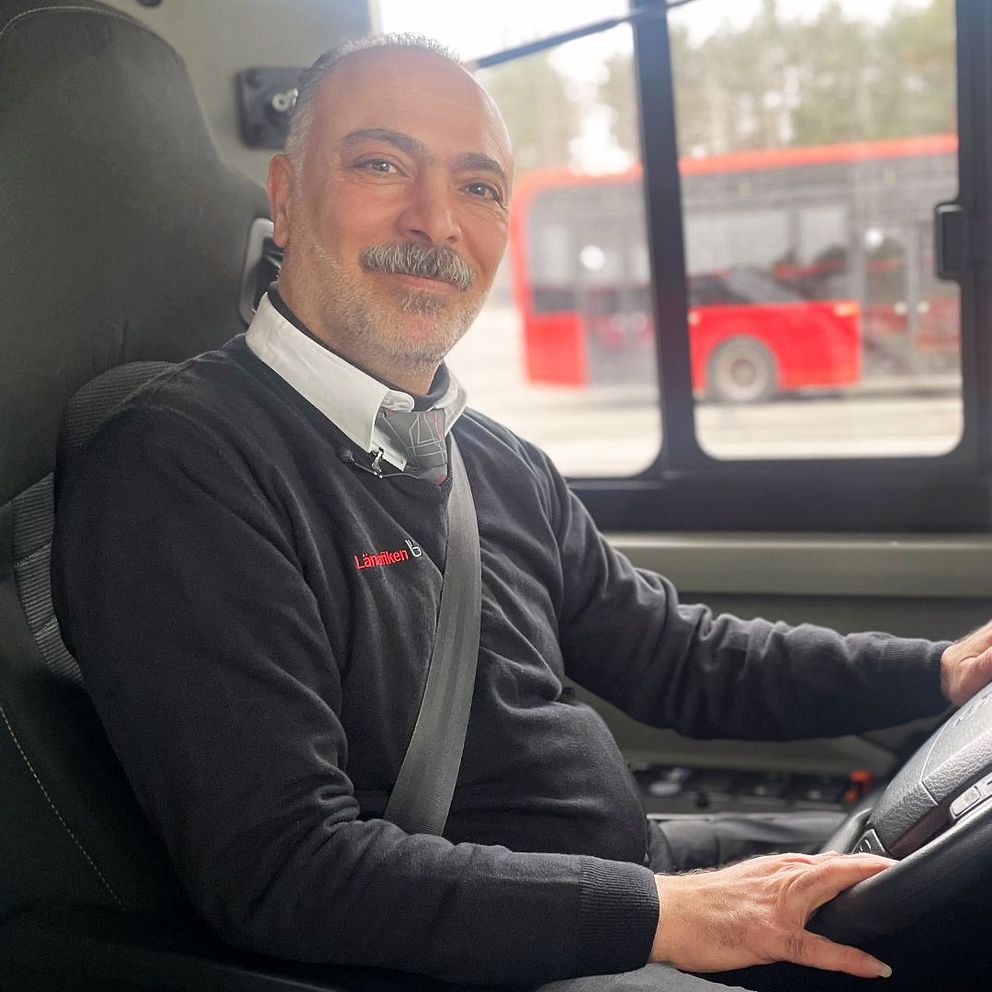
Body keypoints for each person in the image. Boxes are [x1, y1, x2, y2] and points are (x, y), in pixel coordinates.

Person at [51, 33, 992, 992]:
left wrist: (940, 673)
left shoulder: (489, 457)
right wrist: (664, 916)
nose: (435, 221)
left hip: (623, 877)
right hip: (485, 953)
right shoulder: (178, 465)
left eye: (479, 186)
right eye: (381, 165)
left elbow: (675, 657)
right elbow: (287, 870)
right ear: (287, 200)